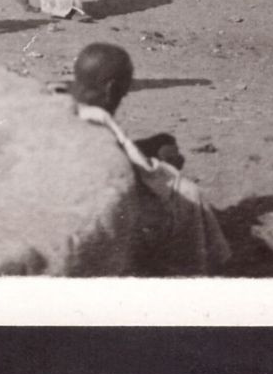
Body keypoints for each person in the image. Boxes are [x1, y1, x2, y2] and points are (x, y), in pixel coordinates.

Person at [67, 43, 233, 275]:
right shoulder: (98, 120)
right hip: (86, 219)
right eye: (123, 92)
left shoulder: (59, 103)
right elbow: (141, 177)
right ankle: (195, 271)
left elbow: (113, 152)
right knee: (186, 194)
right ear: (111, 88)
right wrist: (167, 168)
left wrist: (147, 146)